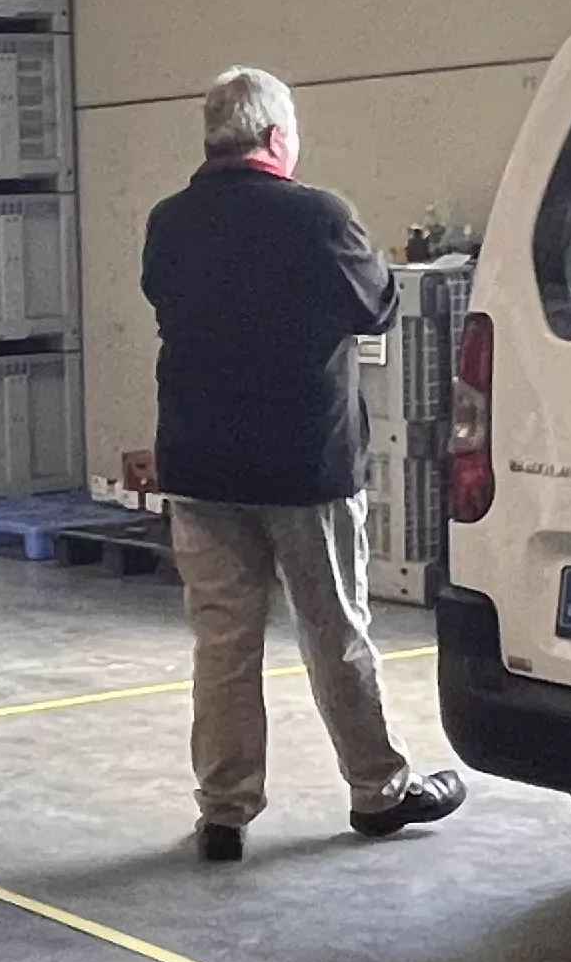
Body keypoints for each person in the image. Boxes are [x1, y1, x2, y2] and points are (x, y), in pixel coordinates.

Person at [134, 66, 467, 865]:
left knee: (222, 644)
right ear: (277, 138)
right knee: (335, 633)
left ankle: (224, 811)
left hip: (200, 463)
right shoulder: (319, 215)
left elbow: (163, 298)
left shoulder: (168, 221)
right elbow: (378, 306)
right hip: (303, 465)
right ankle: (377, 791)